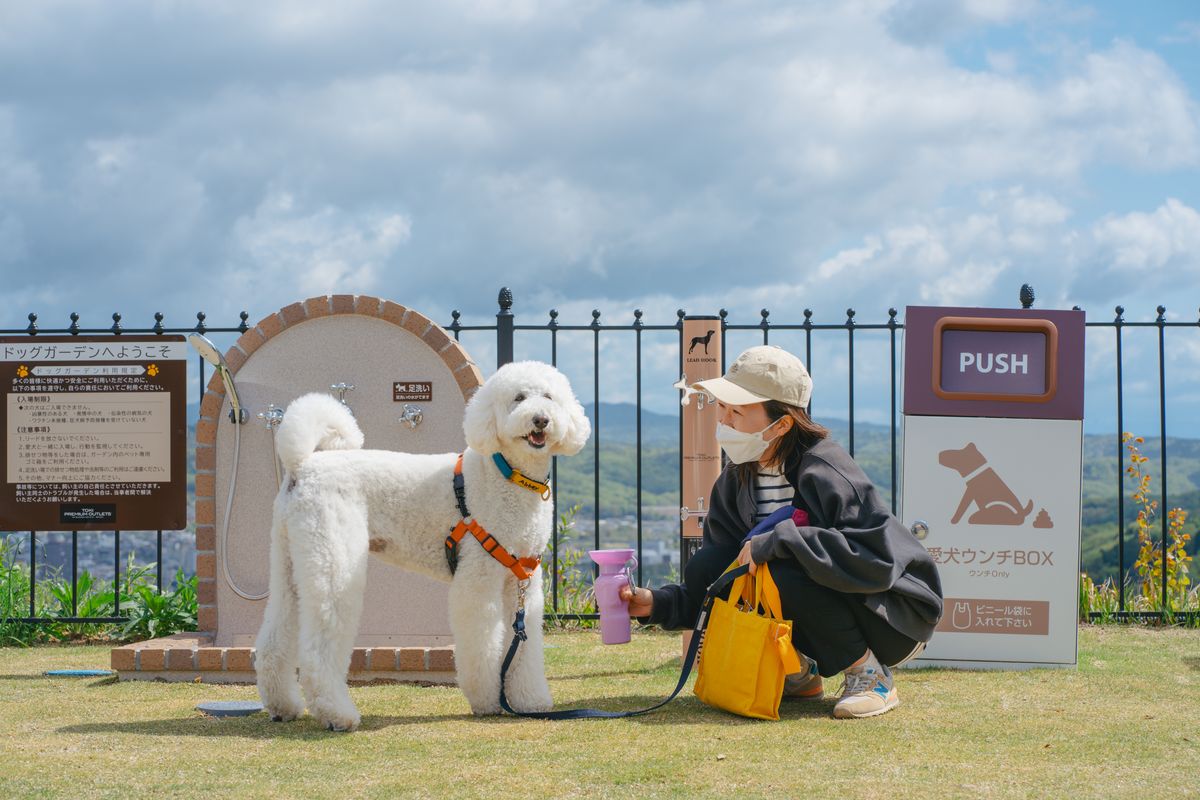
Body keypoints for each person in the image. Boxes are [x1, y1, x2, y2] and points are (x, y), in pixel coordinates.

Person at [621, 345, 943, 718]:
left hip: (891, 617)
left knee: (782, 569)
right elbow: (720, 576)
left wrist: (782, 539)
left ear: (783, 424)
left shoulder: (826, 468)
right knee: (711, 561)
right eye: (722, 408)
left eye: (737, 411)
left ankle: (870, 675)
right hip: (828, 608)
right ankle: (798, 672)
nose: (723, 420)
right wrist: (655, 603)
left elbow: (877, 559)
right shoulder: (736, 478)